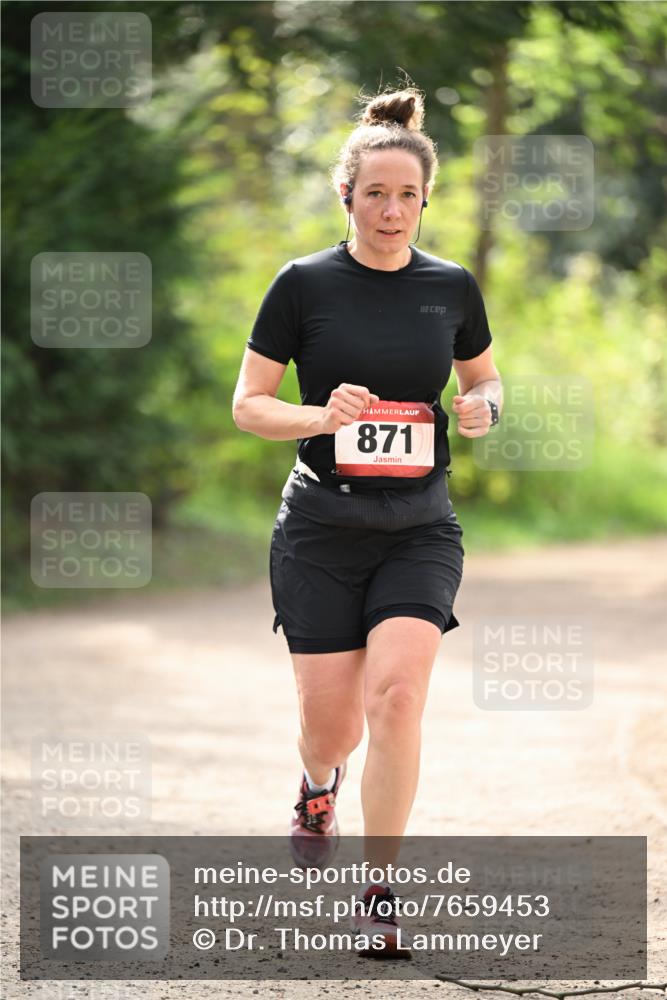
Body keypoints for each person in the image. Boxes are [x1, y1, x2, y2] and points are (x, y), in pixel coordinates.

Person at [232, 84, 502, 958]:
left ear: (425, 201)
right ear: (345, 194)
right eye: (376, 193)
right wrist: (319, 416)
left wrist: (485, 408)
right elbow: (248, 404)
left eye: (407, 196)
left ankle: (378, 892)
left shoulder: (450, 287)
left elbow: (483, 378)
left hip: (420, 527)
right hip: (320, 528)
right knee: (334, 727)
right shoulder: (302, 284)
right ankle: (317, 784)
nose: (391, 210)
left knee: (397, 697)